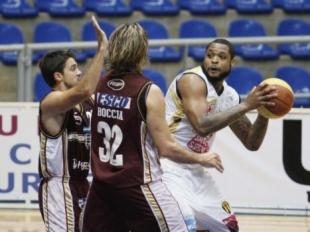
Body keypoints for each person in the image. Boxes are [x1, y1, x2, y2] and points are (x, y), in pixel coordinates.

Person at [80, 23, 224, 232]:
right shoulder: (148, 91)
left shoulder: (98, 86)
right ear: (142, 52)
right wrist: (201, 158)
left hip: (102, 188)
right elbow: (166, 148)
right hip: (138, 185)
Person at [161, 38, 277, 232]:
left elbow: (251, 142)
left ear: (232, 63)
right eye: (210, 55)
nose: (214, 60)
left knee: (228, 227)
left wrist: (264, 113)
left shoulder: (230, 96)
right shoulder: (192, 80)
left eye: (221, 57)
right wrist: (247, 104)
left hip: (196, 168)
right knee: (184, 224)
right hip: (167, 165)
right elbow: (201, 126)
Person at [37, 16, 107, 232]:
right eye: (74, 68)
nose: (79, 72)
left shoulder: (84, 102)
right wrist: (103, 48)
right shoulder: (51, 102)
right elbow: (85, 88)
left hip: (82, 182)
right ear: (58, 76)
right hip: (60, 185)